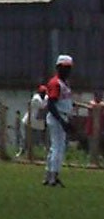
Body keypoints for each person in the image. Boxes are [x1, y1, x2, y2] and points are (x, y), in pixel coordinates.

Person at [43, 55, 75, 187]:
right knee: (58, 148)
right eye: (64, 67)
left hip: (62, 116)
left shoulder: (64, 83)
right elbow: (51, 105)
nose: (67, 70)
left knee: (54, 147)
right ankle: (53, 177)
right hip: (57, 117)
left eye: (69, 68)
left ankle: (49, 175)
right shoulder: (55, 83)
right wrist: (62, 121)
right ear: (58, 68)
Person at [21, 83, 49, 157]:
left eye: (44, 92)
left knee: (37, 139)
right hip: (29, 122)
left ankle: (31, 154)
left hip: (38, 123)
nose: (43, 94)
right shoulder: (36, 99)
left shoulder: (46, 98)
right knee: (27, 139)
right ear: (39, 93)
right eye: (42, 93)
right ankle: (22, 152)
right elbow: (42, 107)